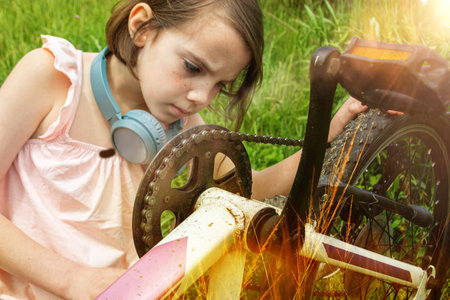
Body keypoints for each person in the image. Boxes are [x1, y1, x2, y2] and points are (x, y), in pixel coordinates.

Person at [0, 0, 366, 299]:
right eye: (193, 67)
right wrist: (73, 280)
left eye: (220, 84)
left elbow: (250, 189)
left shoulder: (187, 130)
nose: (201, 97)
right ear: (142, 27)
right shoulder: (53, 80)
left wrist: (330, 132)